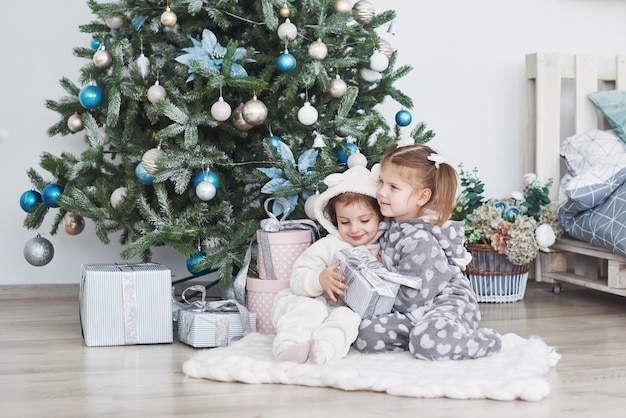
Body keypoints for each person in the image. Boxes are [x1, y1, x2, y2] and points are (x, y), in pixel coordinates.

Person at [354, 142, 509, 360]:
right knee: (366, 334)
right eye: (381, 182)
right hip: (413, 310)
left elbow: (414, 294)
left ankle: (478, 342)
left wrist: (382, 280)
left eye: (393, 187)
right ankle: (421, 334)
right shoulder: (393, 225)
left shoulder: (420, 240)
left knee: (428, 343)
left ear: (422, 197)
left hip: (445, 304)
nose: (381, 192)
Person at [271, 165, 384, 364]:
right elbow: (297, 278)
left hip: (347, 309)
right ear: (335, 221)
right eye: (345, 222)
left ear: (379, 217)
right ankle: (290, 347)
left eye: (365, 220)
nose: (355, 229)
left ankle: (324, 350)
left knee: (347, 320)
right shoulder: (328, 245)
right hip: (313, 300)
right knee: (306, 310)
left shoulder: (383, 250)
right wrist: (319, 279)